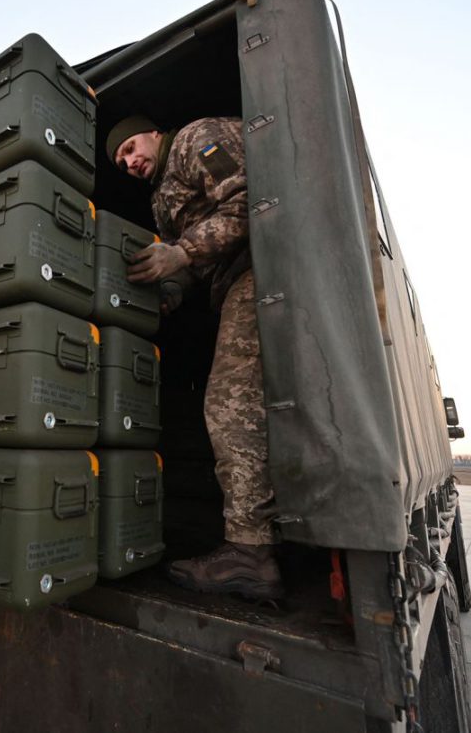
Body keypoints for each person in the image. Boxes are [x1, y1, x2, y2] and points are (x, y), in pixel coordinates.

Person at [108, 114, 282, 601]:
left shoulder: (193, 140)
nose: (130, 162)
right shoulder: (161, 200)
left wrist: (180, 252)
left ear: (154, 134)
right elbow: (192, 264)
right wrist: (173, 291)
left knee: (228, 405)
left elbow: (252, 200)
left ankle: (250, 553)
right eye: (122, 161)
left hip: (262, 268)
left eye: (131, 148)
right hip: (231, 283)